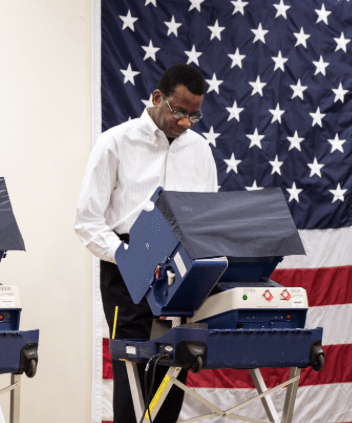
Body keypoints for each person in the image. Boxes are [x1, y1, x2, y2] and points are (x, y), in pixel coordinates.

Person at [74, 63, 217, 423]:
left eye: (194, 116)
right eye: (179, 111)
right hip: (129, 264)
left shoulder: (200, 150)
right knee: (133, 375)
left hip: (183, 268)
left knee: (175, 370)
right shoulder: (115, 142)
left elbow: (208, 216)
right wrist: (128, 257)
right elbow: (87, 221)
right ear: (157, 98)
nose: (185, 122)